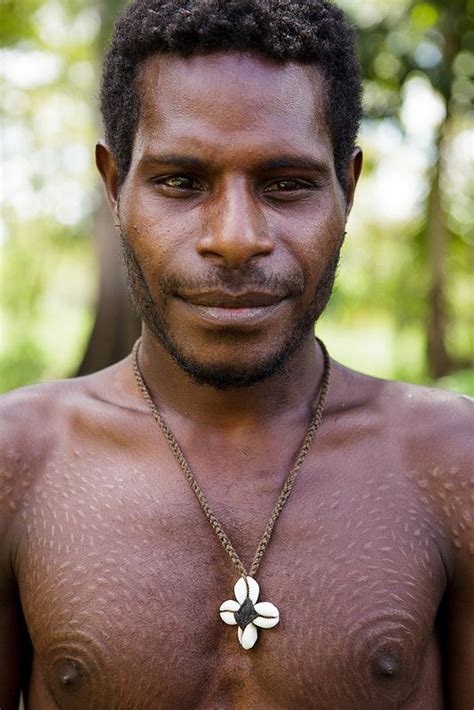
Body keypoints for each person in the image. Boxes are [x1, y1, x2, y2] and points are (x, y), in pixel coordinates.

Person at [1, 0, 472, 707]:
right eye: (180, 182)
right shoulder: (18, 462)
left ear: (349, 188)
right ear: (114, 188)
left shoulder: (452, 462)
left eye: (287, 184)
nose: (235, 238)